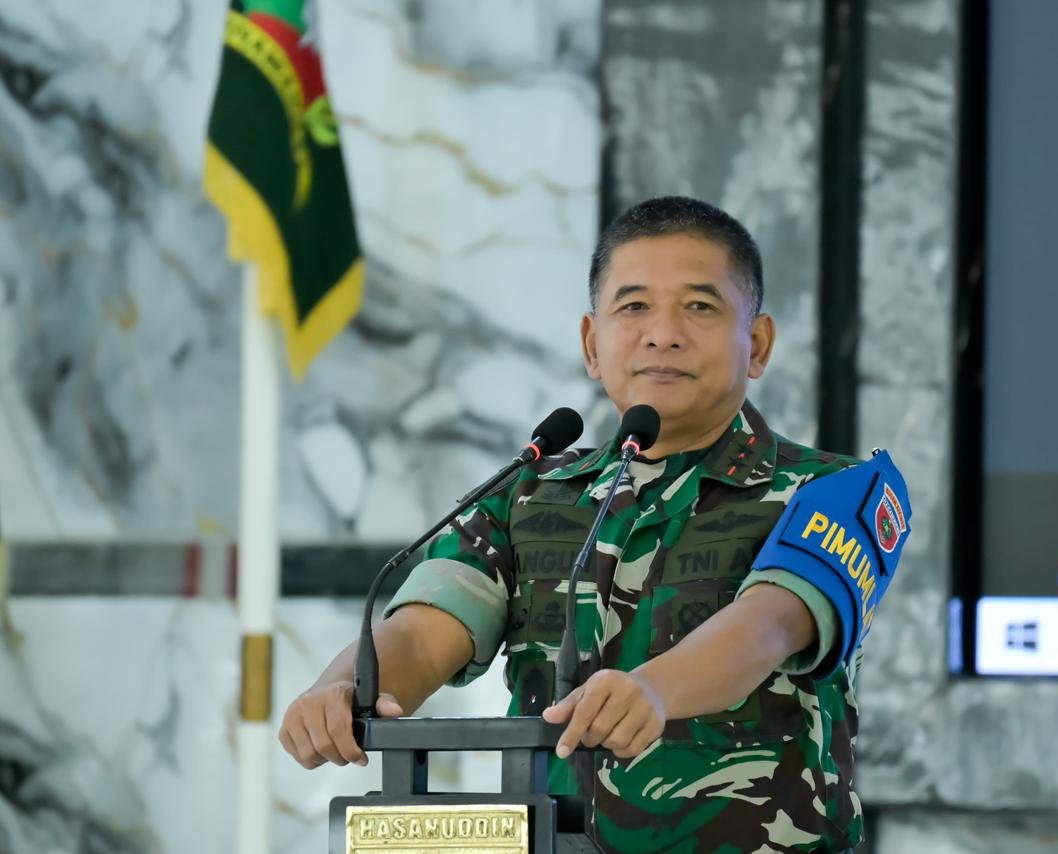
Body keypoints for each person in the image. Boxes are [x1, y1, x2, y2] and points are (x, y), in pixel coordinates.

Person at [279, 196, 910, 852]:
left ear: (757, 344)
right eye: (633, 307)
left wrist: (652, 691)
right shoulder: (526, 493)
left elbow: (768, 625)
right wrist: (343, 688)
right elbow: (423, 631)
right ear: (591, 343)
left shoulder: (836, 490)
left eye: (699, 306)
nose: (662, 333)